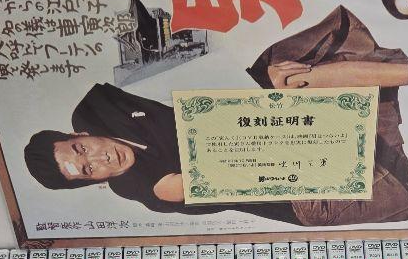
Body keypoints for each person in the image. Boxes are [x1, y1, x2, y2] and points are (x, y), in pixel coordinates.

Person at [23, 82, 298, 223]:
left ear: (78, 134)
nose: (100, 159)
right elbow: (238, 172)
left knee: (282, 65)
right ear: (91, 181)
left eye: (82, 149)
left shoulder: (95, 109)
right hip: (294, 193)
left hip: (271, 132)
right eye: (88, 170)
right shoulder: (144, 187)